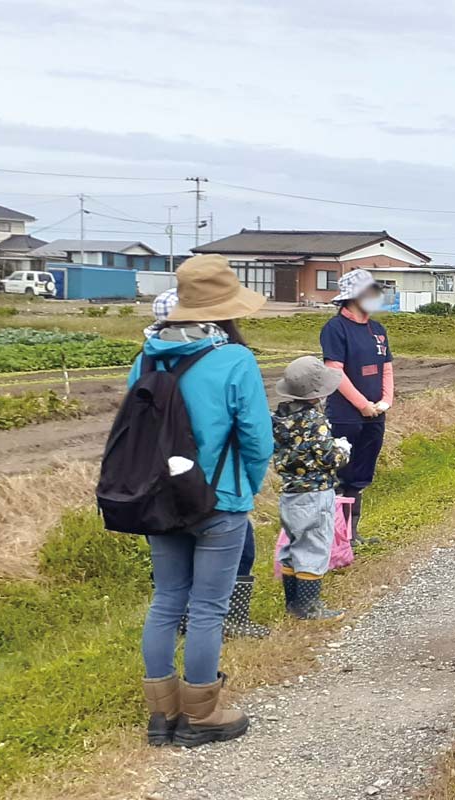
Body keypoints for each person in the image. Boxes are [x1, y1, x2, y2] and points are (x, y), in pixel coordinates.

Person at [135, 255, 273, 748]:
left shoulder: (147, 357)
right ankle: (202, 713)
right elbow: (257, 437)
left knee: (167, 598)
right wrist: (247, 485)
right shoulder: (235, 359)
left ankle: (161, 716)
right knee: (208, 607)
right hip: (220, 500)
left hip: (159, 498)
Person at [273, 356, 351, 621]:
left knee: (293, 544)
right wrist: (342, 450)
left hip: (289, 493)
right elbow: (328, 457)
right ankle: (309, 606)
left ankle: (293, 603)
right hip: (316, 492)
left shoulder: (280, 418)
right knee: (314, 545)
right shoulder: (314, 421)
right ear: (317, 392)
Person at [321, 270, 393, 547]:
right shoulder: (335, 328)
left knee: (361, 474)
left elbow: (387, 369)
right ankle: (337, 537)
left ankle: (351, 534)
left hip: (376, 413)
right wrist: (362, 405)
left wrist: (385, 401)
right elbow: (334, 371)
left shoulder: (377, 330)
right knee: (342, 474)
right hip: (345, 414)